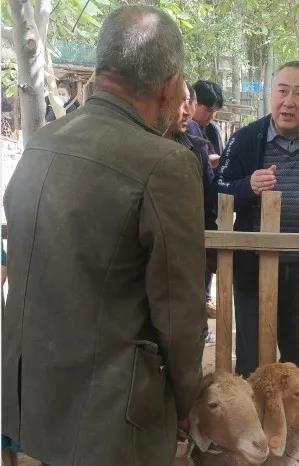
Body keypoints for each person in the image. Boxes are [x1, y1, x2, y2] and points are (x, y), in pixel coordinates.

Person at [1, 6, 206, 466]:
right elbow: (179, 311)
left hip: (36, 398)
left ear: (100, 70)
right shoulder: (165, 164)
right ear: (171, 85)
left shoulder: (42, 143)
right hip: (111, 418)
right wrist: (187, 399)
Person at [217, 60, 299, 379]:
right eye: (281, 91)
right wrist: (247, 186)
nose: (288, 101)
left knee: (298, 360)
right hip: (252, 266)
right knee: (252, 359)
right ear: (270, 95)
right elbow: (217, 188)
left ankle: (292, 410)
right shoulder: (245, 139)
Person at [168, 81, 221, 343]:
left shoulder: (198, 145)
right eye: (181, 102)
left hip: (191, 239)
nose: (187, 110)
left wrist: (210, 243)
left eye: (189, 101)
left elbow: (210, 198)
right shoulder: (137, 145)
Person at [188, 79, 225, 156]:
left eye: (215, 111)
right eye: (208, 110)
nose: (212, 117)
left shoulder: (214, 129)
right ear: (193, 102)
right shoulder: (182, 128)